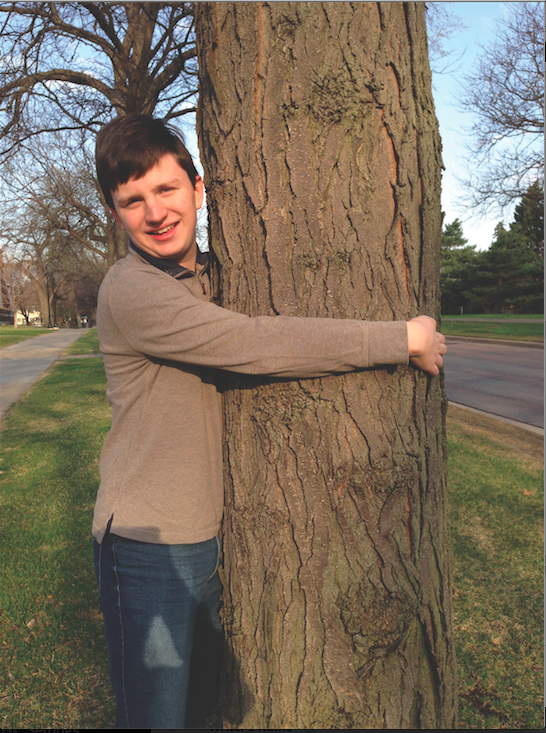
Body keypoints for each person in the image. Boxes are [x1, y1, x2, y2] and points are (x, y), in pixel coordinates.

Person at [92, 113, 447, 729]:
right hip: (146, 547)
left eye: (167, 189)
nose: (155, 212)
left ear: (198, 188)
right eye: (133, 200)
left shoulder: (203, 277)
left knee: (201, 714)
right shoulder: (132, 290)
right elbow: (253, 343)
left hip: (203, 539)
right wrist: (398, 339)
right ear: (117, 213)